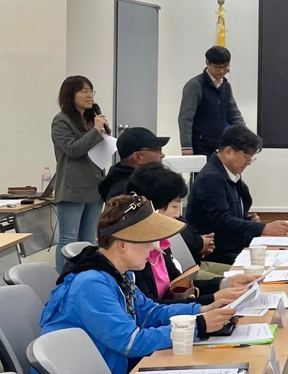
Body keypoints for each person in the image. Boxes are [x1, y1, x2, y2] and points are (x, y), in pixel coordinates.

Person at [32, 195, 237, 374]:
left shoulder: (120, 274)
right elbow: (131, 342)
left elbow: (150, 312)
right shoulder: (91, 285)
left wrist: (203, 310)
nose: (155, 248)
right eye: (147, 241)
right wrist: (198, 326)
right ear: (122, 245)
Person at [125, 164, 255, 304]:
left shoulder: (161, 243)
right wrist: (211, 301)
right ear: (152, 208)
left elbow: (177, 286)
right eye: (174, 206)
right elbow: (152, 307)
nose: (178, 214)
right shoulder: (135, 255)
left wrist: (225, 284)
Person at [186, 126, 288, 264]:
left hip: (234, 248)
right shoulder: (211, 178)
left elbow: (228, 213)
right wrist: (262, 228)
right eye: (246, 158)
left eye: (251, 159)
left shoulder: (228, 174)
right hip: (218, 254)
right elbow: (222, 221)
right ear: (228, 152)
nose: (248, 163)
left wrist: (246, 219)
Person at [50, 75, 111, 268]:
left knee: (88, 239)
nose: (89, 95)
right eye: (83, 91)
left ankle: (85, 275)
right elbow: (73, 149)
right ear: (70, 94)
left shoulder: (90, 119)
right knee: (68, 239)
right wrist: (95, 131)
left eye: (91, 91)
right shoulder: (61, 121)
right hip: (73, 188)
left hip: (94, 186)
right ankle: (64, 278)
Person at [179, 45, 246, 156]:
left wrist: (246, 138)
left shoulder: (225, 86)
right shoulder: (195, 85)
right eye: (217, 67)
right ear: (207, 62)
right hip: (200, 145)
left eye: (225, 67)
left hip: (221, 145)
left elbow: (234, 115)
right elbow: (185, 118)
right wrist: (186, 146)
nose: (222, 71)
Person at [97, 126, 169, 201]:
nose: (162, 155)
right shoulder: (125, 195)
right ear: (137, 157)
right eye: (157, 150)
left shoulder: (140, 183)